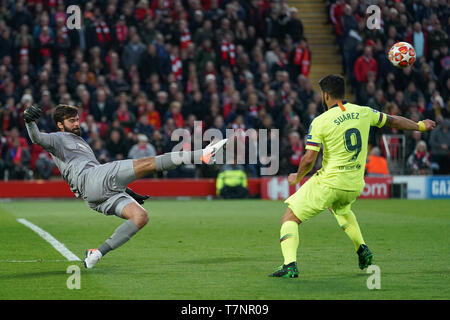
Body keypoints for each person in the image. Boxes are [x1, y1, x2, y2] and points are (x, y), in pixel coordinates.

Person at [269, 74, 436, 278]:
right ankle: (362, 247)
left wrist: (297, 175)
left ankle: (289, 265)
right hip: (355, 183)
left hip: (330, 181)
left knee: (290, 217)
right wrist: (419, 126)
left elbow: (310, 158)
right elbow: (393, 121)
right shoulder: (363, 112)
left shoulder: (320, 121)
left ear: (326, 95)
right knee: (340, 208)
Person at [23, 104, 228, 269]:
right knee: (145, 163)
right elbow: (36, 138)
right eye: (71, 120)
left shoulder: (79, 141)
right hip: (91, 179)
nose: (77, 123)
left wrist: (127, 191)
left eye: (77, 119)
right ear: (60, 125)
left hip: (94, 196)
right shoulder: (58, 138)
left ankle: (97, 253)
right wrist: (29, 121)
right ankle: (201, 155)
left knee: (141, 217)